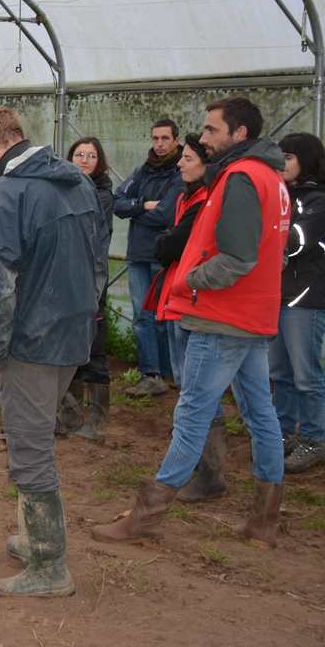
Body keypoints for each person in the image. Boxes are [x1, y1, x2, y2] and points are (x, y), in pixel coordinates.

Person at [93, 97, 289, 551]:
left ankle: (148, 515)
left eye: (211, 130)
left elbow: (239, 256)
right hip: (255, 314)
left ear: (239, 134)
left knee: (193, 412)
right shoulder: (272, 179)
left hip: (222, 315)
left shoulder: (240, 177)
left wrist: (191, 280)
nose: (202, 138)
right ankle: (264, 520)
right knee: (261, 414)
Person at [0, 106, 108, 597]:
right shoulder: (78, 183)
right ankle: (32, 538)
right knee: (37, 435)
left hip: (30, 340)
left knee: (30, 449)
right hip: (73, 336)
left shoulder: (6, 193)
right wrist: (86, 319)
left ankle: (50, 568)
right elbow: (98, 261)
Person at [151, 133, 220, 500]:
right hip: (179, 297)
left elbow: (173, 243)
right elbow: (167, 236)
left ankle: (208, 474)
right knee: (188, 385)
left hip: (192, 301)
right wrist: (167, 240)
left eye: (188, 158)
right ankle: (204, 469)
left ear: (206, 165)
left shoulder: (206, 199)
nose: (180, 163)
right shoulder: (186, 196)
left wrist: (166, 242)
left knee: (197, 389)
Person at [114, 119, 182, 397]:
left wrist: (137, 213)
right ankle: (151, 373)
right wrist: (143, 205)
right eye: (155, 138)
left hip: (162, 256)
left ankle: (168, 373)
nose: (159, 144)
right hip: (138, 256)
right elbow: (118, 203)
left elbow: (166, 215)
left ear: (176, 141)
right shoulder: (142, 171)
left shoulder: (180, 172)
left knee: (164, 320)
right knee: (142, 317)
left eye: (165, 138)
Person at [270, 132, 325, 473]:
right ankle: (284, 434)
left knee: (306, 375)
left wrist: (262, 236)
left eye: (288, 157)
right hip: (278, 295)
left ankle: (315, 439)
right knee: (279, 372)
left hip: (304, 298)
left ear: (306, 159)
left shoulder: (319, 199)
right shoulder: (282, 195)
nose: (282, 163)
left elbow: (297, 241)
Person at [64, 136, 115, 441]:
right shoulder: (64, 191)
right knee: (68, 347)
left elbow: (88, 240)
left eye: (91, 156)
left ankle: (96, 422)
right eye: (78, 154)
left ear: (100, 162)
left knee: (93, 348)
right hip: (65, 282)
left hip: (89, 284)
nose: (83, 160)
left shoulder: (102, 195)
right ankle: (70, 414)